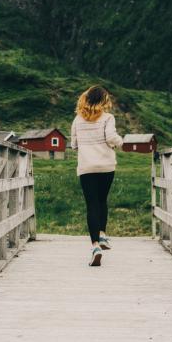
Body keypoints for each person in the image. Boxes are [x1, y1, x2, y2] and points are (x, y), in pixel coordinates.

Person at [70, 85, 123, 266]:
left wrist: (86, 146)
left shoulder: (77, 120)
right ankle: (102, 235)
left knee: (91, 204)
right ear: (103, 101)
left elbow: (74, 144)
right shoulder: (108, 118)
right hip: (106, 166)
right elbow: (111, 137)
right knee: (102, 201)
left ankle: (95, 247)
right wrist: (120, 142)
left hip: (86, 167)